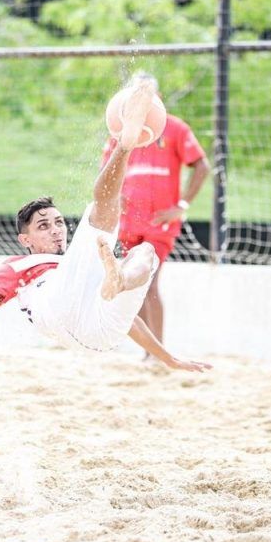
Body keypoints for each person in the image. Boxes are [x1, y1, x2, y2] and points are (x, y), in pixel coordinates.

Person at [0, 83, 213, 378]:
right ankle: (125, 145)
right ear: (24, 240)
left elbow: (128, 320)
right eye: (43, 226)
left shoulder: (81, 267)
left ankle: (121, 280)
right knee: (102, 212)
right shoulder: (20, 265)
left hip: (100, 332)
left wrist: (168, 358)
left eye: (57, 222)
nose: (55, 231)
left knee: (144, 254)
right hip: (57, 307)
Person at [101, 72, 210, 348]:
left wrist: (181, 205)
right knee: (133, 287)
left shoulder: (174, 128)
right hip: (128, 222)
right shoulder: (119, 130)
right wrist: (115, 197)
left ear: (156, 99)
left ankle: (155, 351)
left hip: (158, 223)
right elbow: (106, 173)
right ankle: (145, 352)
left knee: (148, 283)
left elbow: (202, 165)